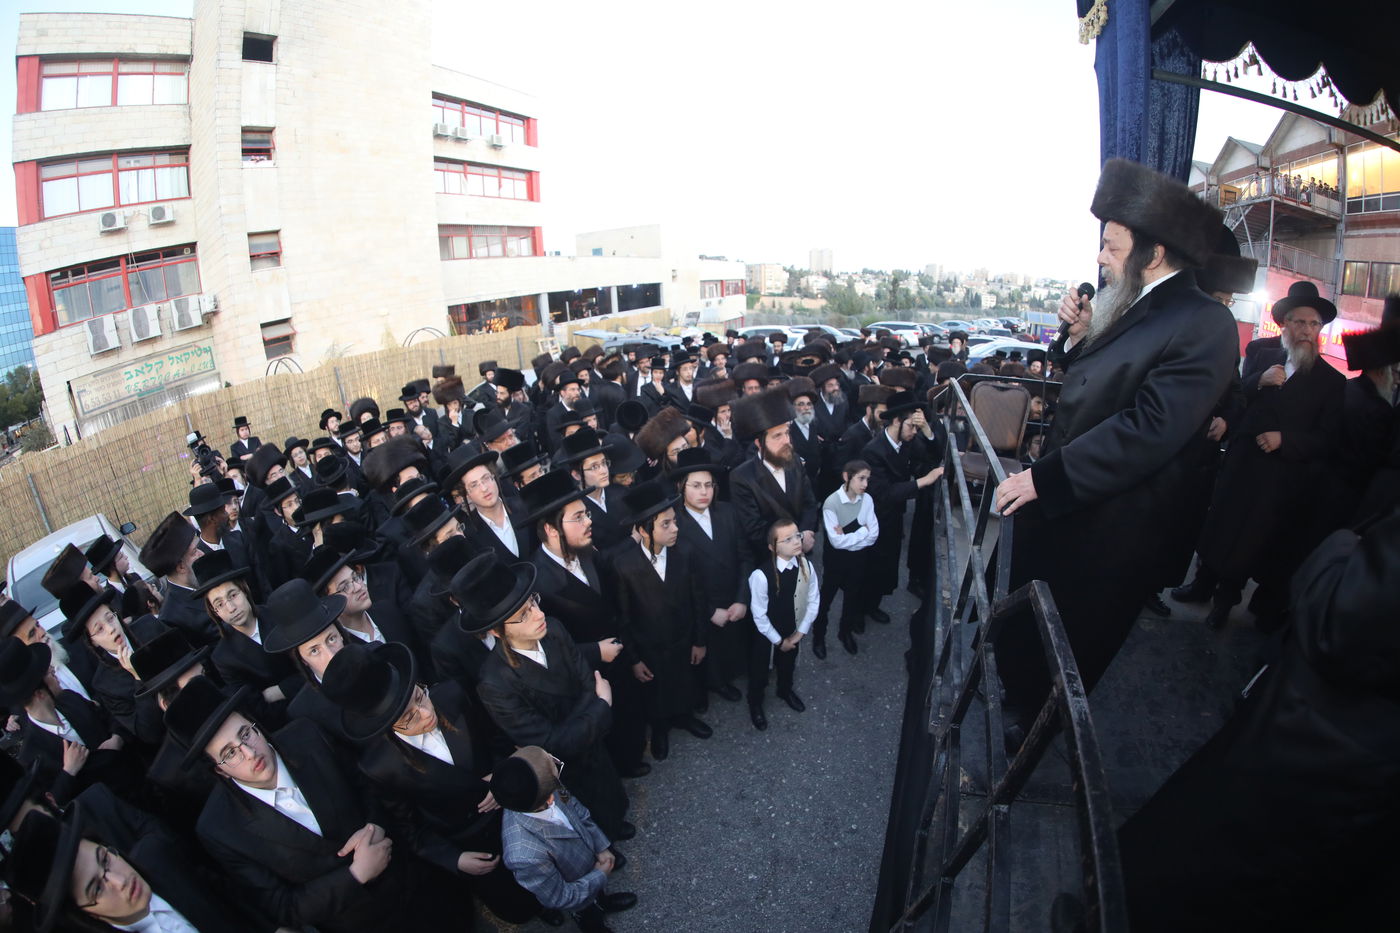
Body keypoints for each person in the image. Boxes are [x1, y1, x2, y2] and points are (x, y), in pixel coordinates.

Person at [993, 158, 1238, 740]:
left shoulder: (1205, 322)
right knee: (1030, 620)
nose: (1100, 257)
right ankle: (1014, 690)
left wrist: (1045, 480)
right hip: (1066, 501)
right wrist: (1076, 338)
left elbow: (1149, 426)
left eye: (1110, 245)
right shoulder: (1132, 303)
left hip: (1111, 529)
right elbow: (1093, 383)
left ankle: (1034, 732)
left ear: (1152, 255)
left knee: (1072, 644)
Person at [1112, 508, 1400, 932]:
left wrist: (1343, 544)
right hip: (1344, 753)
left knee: (1202, 872)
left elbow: (1339, 619)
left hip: (1328, 752)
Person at [166, 677, 452, 933]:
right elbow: (282, 906)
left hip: (415, 881)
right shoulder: (219, 829)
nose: (250, 752)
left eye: (245, 734)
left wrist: (376, 825)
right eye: (230, 753)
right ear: (219, 770)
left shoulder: (306, 735)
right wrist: (356, 875)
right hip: (360, 922)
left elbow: (368, 786)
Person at [319, 640, 546, 927]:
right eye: (409, 717)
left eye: (419, 696)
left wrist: (502, 776)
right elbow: (410, 829)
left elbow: (499, 741)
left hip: (514, 810)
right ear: (385, 728)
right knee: (516, 900)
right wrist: (455, 859)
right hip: (470, 842)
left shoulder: (451, 695)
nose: (426, 714)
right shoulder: (381, 767)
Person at [1186, 280, 1346, 631]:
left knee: (1247, 540)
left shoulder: (1332, 382)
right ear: (1285, 324)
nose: (1307, 330)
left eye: (1314, 324)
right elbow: (1236, 397)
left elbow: (1326, 439)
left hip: (1278, 477)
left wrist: (1284, 439)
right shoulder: (1261, 354)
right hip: (1241, 462)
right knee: (1219, 526)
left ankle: (1225, 602)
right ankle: (1200, 586)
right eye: (1300, 322)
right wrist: (1258, 381)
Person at [471, 553, 634, 842]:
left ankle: (614, 822)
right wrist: (601, 707)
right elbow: (548, 743)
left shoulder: (554, 630)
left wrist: (589, 712)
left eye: (533, 601)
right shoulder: (495, 683)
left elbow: (586, 680)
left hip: (594, 748)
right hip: (566, 772)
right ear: (497, 631)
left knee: (610, 797)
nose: (538, 614)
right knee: (586, 818)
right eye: (522, 614)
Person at [6, 801, 265, 933]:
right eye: (97, 888)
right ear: (86, 914)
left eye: (105, 859)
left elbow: (237, 900)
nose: (120, 882)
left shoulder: (159, 857)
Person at [609, 481, 712, 762]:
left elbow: (698, 600)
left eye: (674, 521)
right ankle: (660, 728)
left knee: (684, 682)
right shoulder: (624, 565)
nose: (675, 529)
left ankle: (684, 716)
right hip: (649, 650)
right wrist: (633, 660)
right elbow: (623, 617)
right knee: (655, 694)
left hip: (682, 640)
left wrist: (700, 641)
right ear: (643, 530)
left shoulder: (685, 552)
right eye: (665, 524)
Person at [493, 747, 638, 933]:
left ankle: (602, 901)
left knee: (597, 895)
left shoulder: (550, 785)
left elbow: (578, 811)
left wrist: (601, 847)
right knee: (589, 917)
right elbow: (560, 897)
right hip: (577, 892)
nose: (555, 763)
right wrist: (600, 875)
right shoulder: (523, 856)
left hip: (590, 864)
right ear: (548, 799)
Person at [671, 448, 750, 707]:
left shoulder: (728, 512)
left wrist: (742, 599)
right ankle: (712, 684)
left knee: (732, 649)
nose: (704, 492)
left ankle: (728, 675)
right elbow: (676, 581)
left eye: (709, 485)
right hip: (701, 608)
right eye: (695, 486)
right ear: (680, 487)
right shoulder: (673, 524)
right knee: (705, 657)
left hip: (732, 600)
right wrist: (708, 612)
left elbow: (744, 557)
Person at [861, 390, 944, 622]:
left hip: (894, 518)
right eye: (912, 426)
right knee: (870, 568)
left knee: (887, 566)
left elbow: (934, 455)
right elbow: (884, 493)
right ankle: (857, 613)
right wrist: (922, 481)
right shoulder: (873, 450)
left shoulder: (908, 441)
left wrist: (928, 431)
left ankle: (873, 605)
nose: (914, 432)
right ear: (896, 421)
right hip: (874, 519)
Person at [730, 386, 819, 563]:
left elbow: (809, 503)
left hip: (801, 554)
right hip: (768, 560)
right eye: (777, 436)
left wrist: (807, 531)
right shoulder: (742, 477)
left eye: (786, 433)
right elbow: (754, 528)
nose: (786, 441)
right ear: (759, 443)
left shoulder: (794, 463)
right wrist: (795, 541)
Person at [746, 519, 819, 731]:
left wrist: (799, 634)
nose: (796, 541)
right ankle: (755, 702)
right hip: (767, 634)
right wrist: (779, 641)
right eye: (787, 539)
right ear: (773, 547)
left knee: (788, 663)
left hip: (793, 629)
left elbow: (813, 600)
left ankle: (784, 690)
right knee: (759, 670)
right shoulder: (761, 575)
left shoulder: (806, 566)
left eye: (797, 535)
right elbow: (759, 615)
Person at [812, 459, 880, 658]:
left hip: (858, 561)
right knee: (825, 601)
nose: (865, 484)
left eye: (867, 479)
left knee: (852, 598)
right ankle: (818, 637)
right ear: (846, 477)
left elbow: (874, 534)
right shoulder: (831, 503)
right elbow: (836, 542)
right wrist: (862, 532)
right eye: (861, 478)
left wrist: (850, 536)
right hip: (835, 563)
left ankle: (845, 632)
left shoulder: (867, 499)